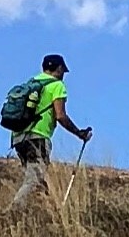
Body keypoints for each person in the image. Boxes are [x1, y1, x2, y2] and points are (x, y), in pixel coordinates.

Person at [8, 54, 92, 210]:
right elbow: (60, 116)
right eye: (63, 70)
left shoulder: (32, 82)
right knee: (33, 179)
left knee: (37, 178)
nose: (63, 74)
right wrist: (79, 133)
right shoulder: (57, 85)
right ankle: (13, 210)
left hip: (18, 137)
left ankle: (50, 210)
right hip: (38, 136)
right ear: (59, 68)